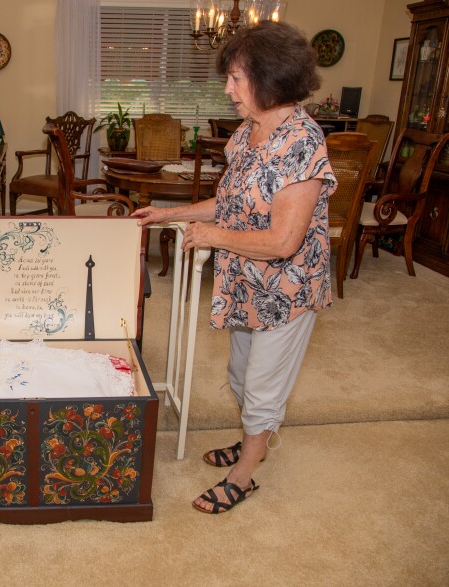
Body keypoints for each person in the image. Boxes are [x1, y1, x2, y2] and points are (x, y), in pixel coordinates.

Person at [133, 21, 337, 514]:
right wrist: (169, 214)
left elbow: (285, 241)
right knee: (243, 376)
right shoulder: (248, 134)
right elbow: (229, 204)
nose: (227, 89)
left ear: (270, 79)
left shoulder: (301, 144)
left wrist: (214, 238)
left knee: (264, 385)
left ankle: (245, 473)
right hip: (247, 280)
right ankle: (256, 441)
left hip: (286, 287)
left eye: (236, 78)